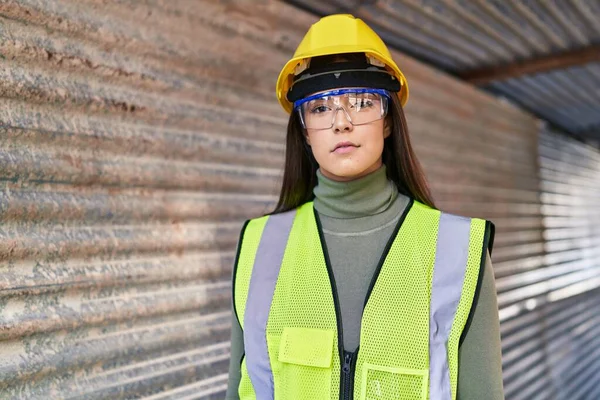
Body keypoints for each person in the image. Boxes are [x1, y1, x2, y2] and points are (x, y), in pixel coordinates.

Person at [225, 14, 504, 400]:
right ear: (304, 129)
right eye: (320, 107)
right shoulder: (259, 245)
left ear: (388, 120)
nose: (341, 122)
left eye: (361, 101)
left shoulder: (458, 249)